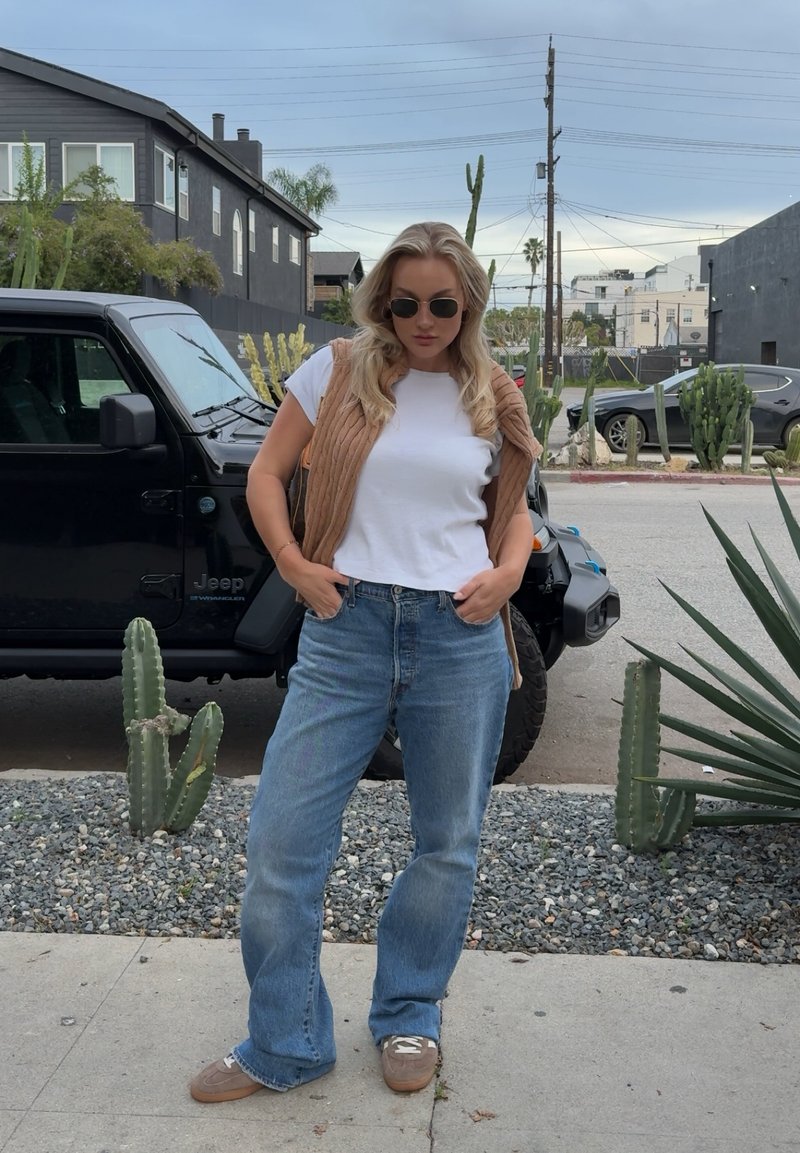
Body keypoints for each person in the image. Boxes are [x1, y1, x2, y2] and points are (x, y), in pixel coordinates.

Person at [189, 221, 540, 1103]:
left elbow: (517, 509)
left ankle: (410, 1009)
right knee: (280, 839)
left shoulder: (492, 392)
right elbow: (266, 475)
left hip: (457, 634)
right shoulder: (337, 369)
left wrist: (507, 573)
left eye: (442, 305)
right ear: (382, 300)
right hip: (346, 626)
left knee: (447, 842)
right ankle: (287, 1039)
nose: (423, 320)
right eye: (405, 301)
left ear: (469, 306)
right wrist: (296, 566)